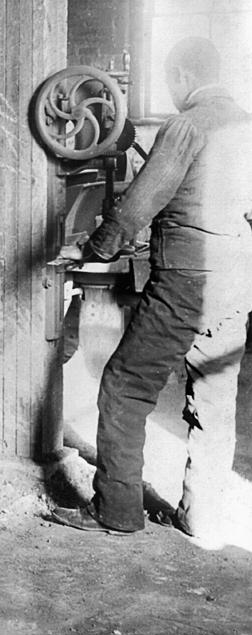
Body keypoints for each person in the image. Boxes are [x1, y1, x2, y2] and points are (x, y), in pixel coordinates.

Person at [51, 37, 252, 549]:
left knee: (125, 385)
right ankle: (201, 516)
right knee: (214, 395)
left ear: (182, 76)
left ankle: (117, 509)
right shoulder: (247, 124)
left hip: (189, 280)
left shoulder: (186, 125)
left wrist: (95, 249)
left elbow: (142, 201)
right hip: (236, 281)